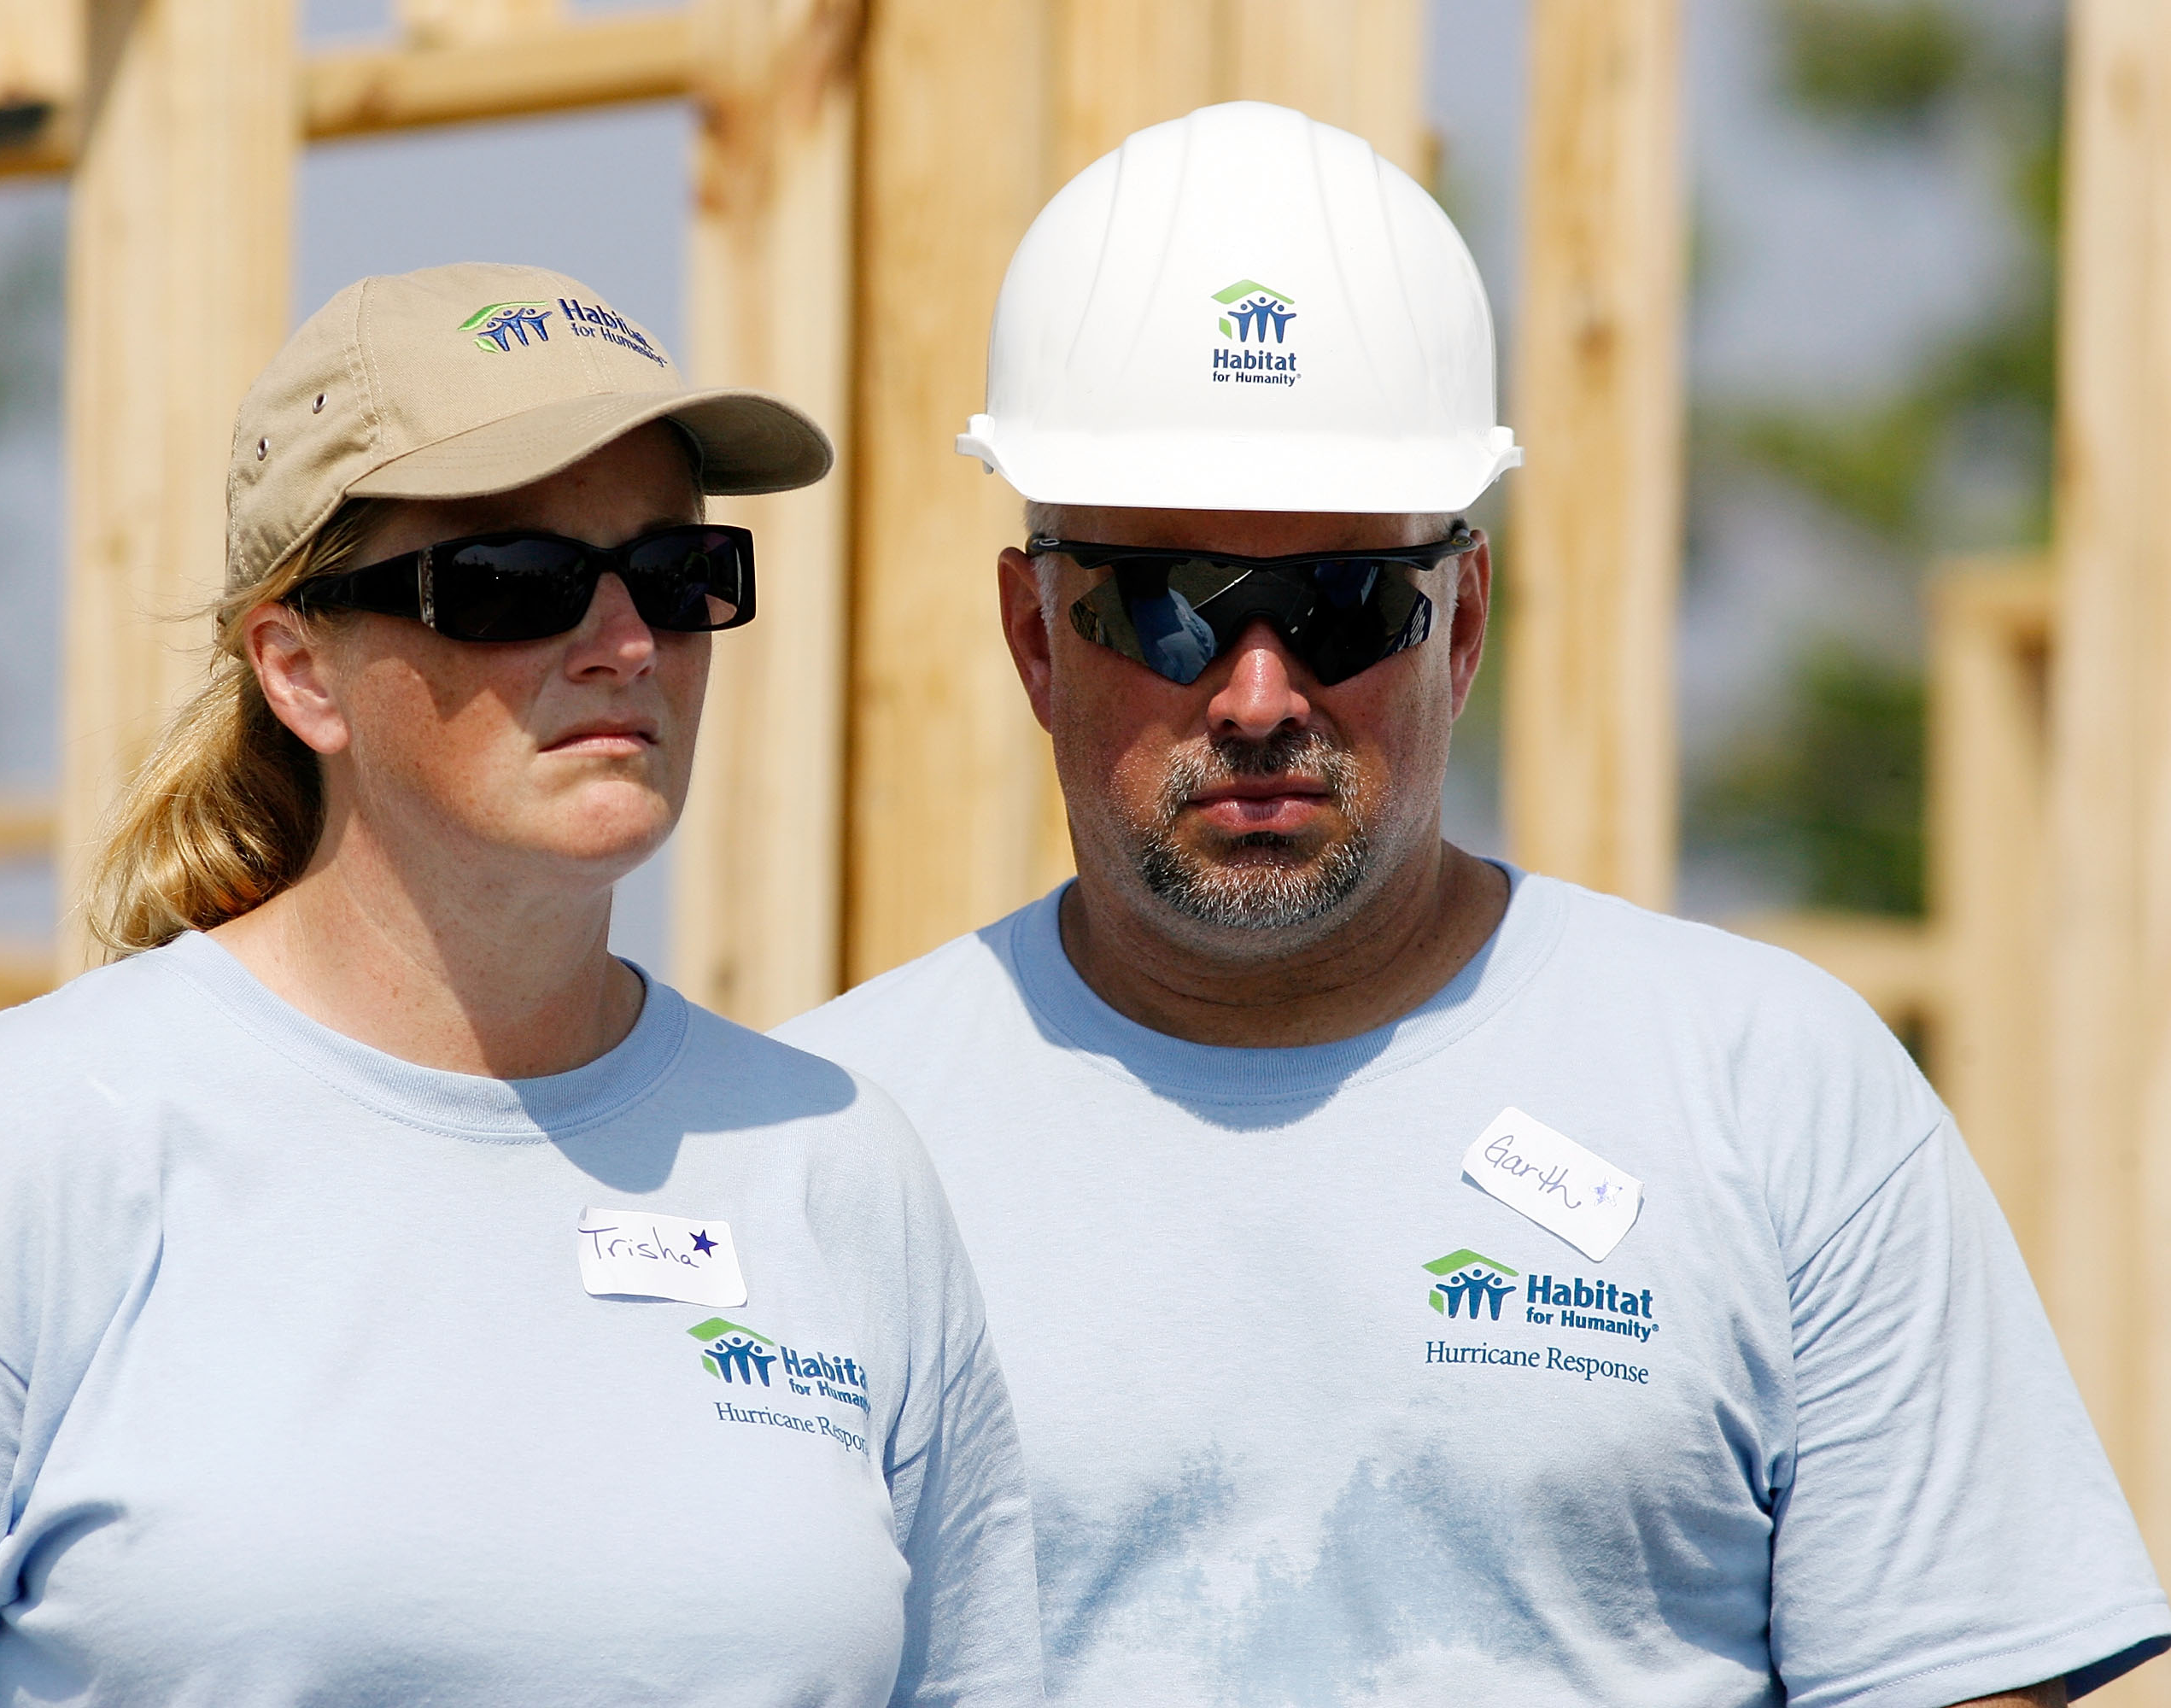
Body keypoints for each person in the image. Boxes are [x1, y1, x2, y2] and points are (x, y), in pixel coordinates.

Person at [776, 103, 2170, 1708]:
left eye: (1345, 604)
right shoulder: (829, 1154)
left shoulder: (1771, 1092)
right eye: (1162, 605)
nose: (1254, 694)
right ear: (1032, 631)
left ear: (1463, 624)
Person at [0, 262, 1042, 1706]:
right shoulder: (25, 1157)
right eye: (515, 584)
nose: (624, 644)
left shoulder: (834, 1171)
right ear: (299, 670)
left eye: (684, 578)